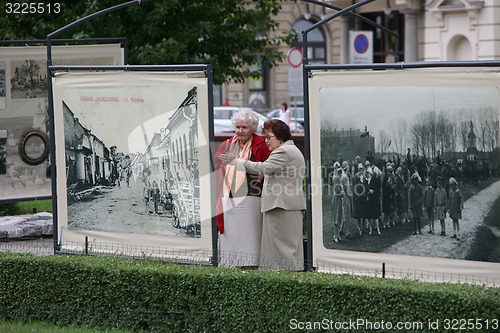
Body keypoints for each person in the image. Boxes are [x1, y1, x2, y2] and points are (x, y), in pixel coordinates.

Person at [221, 119, 305, 271]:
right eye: (265, 137)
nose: (266, 141)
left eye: (269, 137)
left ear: (280, 136)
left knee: (281, 250)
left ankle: (283, 283)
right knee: (286, 249)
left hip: (280, 205)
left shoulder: (283, 151)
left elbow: (264, 167)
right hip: (285, 204)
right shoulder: (293, 150)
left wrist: (236, 161)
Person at [215, 111, 270, 268]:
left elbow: (269, 166)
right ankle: (229, 265)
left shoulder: (260, 144)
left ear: (253, 128)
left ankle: (251, 266)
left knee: (249, 236)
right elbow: (216, 166)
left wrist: (261, 176)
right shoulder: (226, 145)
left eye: (244, 127)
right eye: (237, 127)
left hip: (251, 197)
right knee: (230, 236)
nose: (240, 131)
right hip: (228, 196)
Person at [331, 162, 343, 243]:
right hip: (336, 198)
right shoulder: (336, 178)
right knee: (336, 217)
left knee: (339, 217)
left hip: (338, 198)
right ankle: (335, 235)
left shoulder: (337, 177)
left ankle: (337, 234)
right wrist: (342, 193)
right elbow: (337, 190)